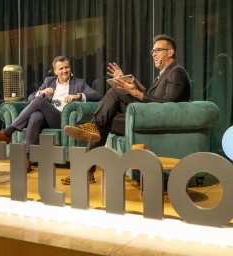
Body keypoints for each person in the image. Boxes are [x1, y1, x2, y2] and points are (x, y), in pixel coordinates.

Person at [63, 34, 191, 184]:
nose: (154, 54)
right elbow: (153, 99)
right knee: (109, 108)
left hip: (158, 122)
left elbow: (169, 103)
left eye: (158, 50)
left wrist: (136, 93)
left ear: (170, 52)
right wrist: (128, 84)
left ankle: (88, 153)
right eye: (153, 51)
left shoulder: (176, 72)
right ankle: (88, 155)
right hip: (147, 117)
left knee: (107, 112)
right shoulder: (162, 75)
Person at [0, 56, 100, 173]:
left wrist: (77, 96)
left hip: (63, 119)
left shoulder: (79, 83)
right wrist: (42, 92)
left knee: (40, 102)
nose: (65, 71)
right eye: (61, 68)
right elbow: (31, 98)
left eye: (67, 67)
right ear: (55, 71)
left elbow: (96, 95)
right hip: (48, 118)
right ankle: (28, 159)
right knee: (35, 116)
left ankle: (7, 132)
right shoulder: (49, 81)